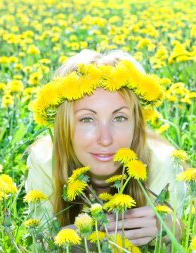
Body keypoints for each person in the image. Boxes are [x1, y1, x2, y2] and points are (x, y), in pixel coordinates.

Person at [25, 49, 186, 247]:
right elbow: (38, 241)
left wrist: (173, 231)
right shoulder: (44, 161)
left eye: (119, 118)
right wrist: (61, 244)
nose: (105, 139)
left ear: (137, 124)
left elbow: (180, 237)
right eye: (87, 119)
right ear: (64, 126)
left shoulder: (162, 162)